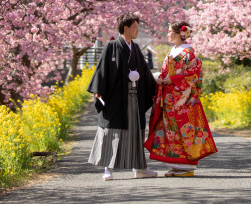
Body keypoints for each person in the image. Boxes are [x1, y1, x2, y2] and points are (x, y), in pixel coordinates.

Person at [87, 13, 158, 181]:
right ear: (125, 28)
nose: (137, 30)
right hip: (116, 98)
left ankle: (139, 167)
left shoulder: (135, 48)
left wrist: (156, 84)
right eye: (134, 28)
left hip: (134, 98)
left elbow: (146, 72)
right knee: (112, 131)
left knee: (135, 131)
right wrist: (98, 89)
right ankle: (108, 169)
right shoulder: (111, 46)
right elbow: (102, 69)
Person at [144, 21, 218, 177]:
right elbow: (166, 72)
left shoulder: (188, 51)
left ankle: (186, 166)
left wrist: (172, 80)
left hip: (181, 99)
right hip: (169, 97)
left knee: (183, 130)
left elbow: (194, 73)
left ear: (180, 34)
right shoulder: (174, 50)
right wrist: (162, 80)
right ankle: (176, 165)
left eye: (170, 31)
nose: (168, 34)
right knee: (170, 131)